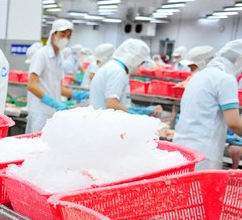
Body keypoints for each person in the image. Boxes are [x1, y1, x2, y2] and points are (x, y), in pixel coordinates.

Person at [174, 39, 242, 170]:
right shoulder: (226, 79)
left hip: (182, 148)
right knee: (200, 190)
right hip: (204, 153)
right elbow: (234, 122)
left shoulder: (199, 76)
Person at [26, 18, 88, 133]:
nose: (65, 39)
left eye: (69, 36)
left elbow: (59, 88)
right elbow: (31, 85)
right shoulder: (41, 55)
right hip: (40, 112)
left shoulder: (60, 57)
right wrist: (52, 101)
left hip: (53, 112)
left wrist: (77, 94)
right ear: (53, 34)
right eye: (62, 34)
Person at [89, 38, 161, 116]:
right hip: (105, 121)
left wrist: (143, 111)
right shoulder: (118, 71)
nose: (139, 66)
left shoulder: (111, 66)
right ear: (135, 59)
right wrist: (136, 116)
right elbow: (112, 105)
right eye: (141, 62)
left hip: (100, 118)